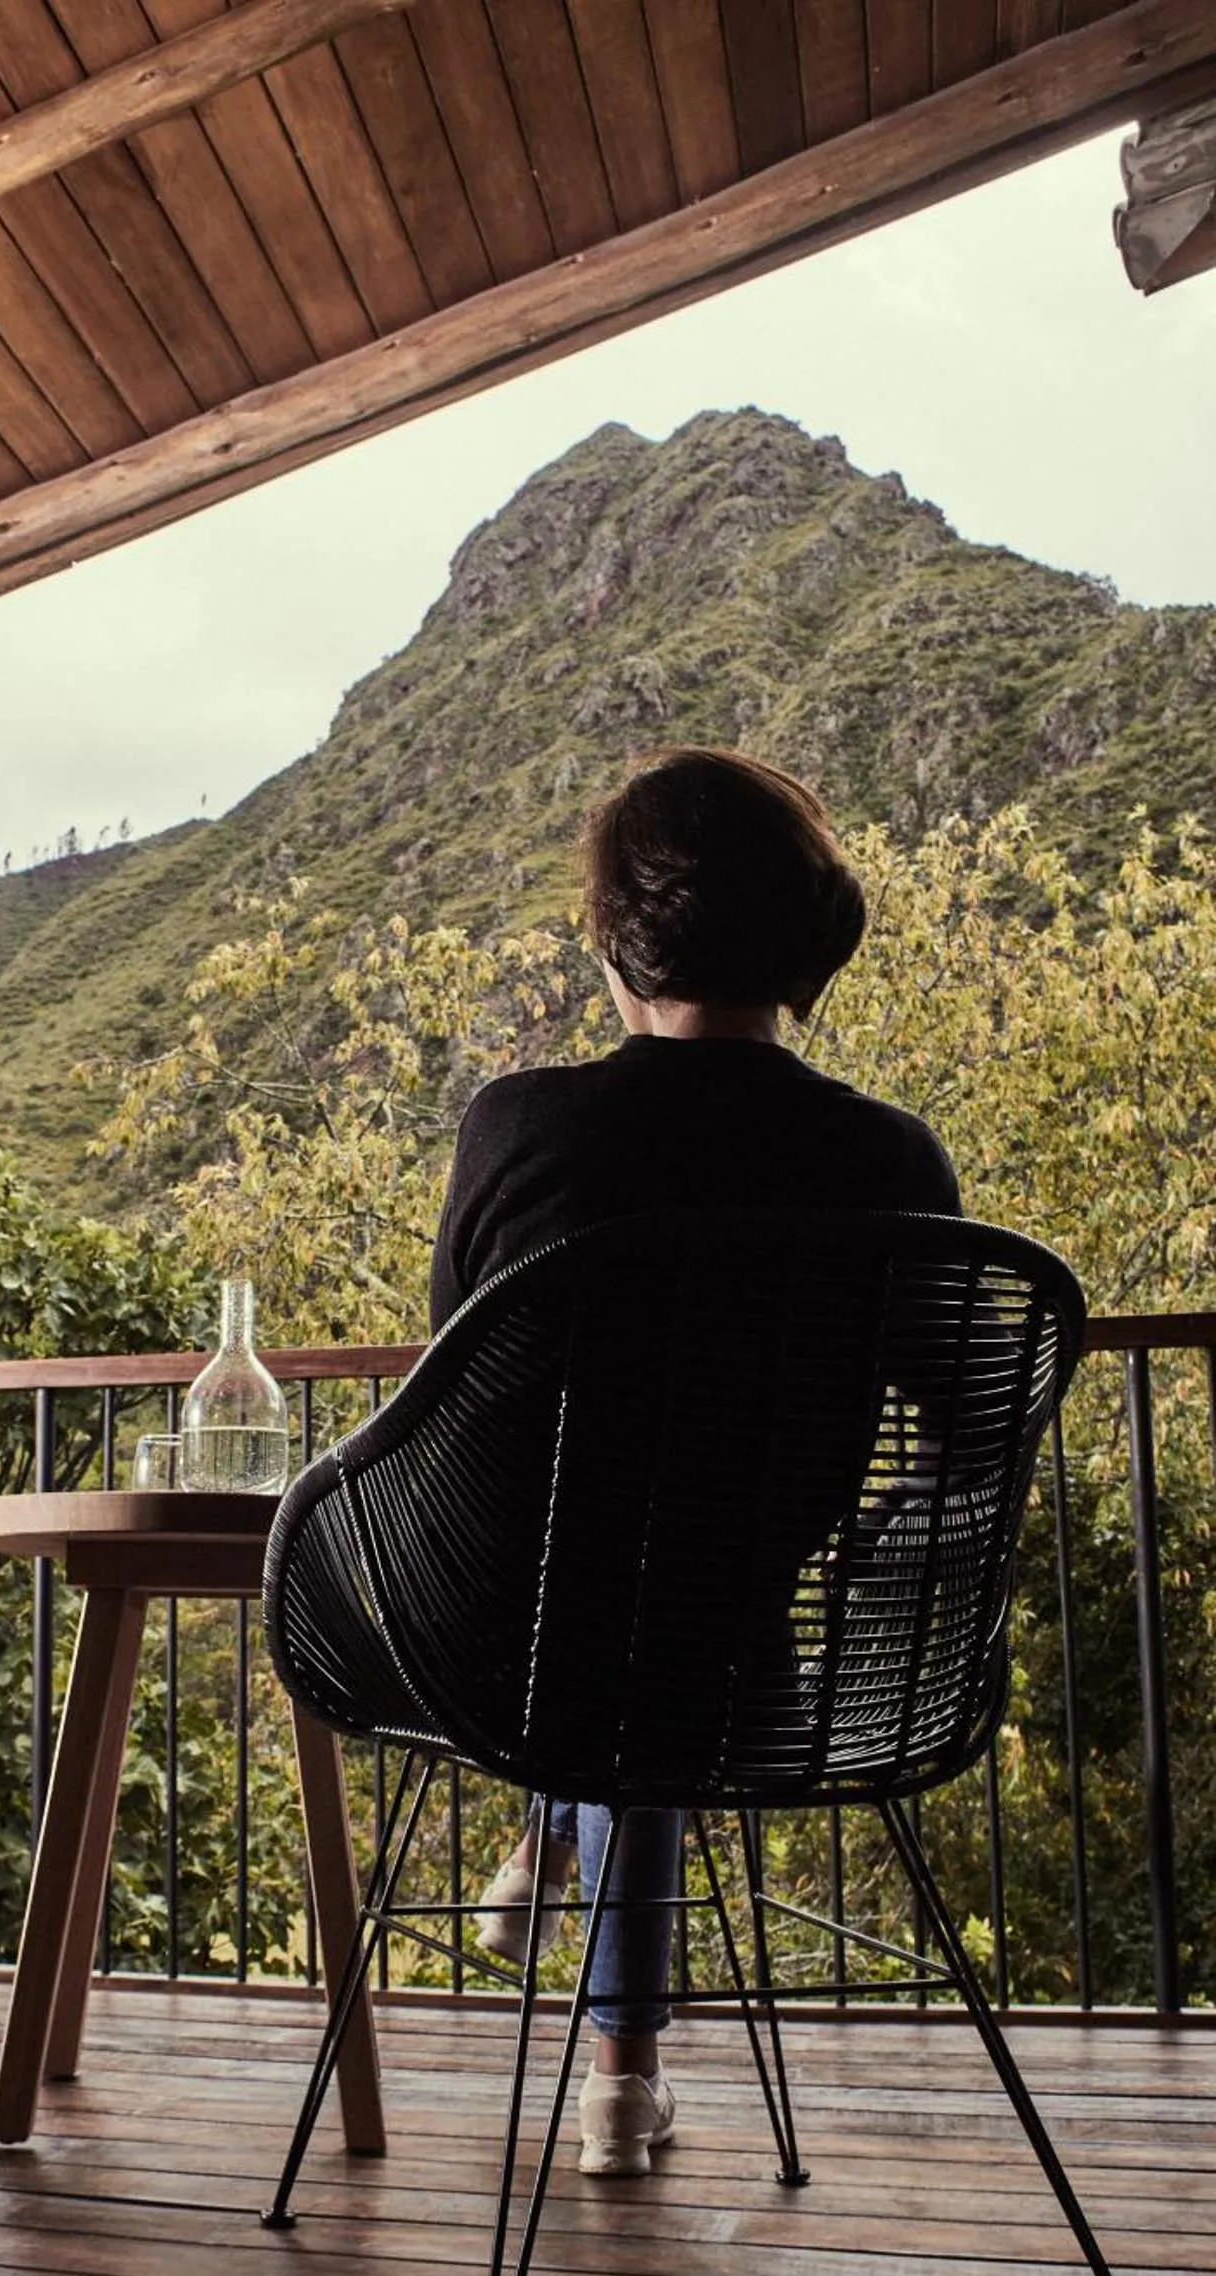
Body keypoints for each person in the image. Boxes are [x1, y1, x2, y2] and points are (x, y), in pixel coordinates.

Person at [428, 746, 960, 2176]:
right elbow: (975, 1430)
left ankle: (559, 1900)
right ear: (806, 938)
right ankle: (622, 2073)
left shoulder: (518, 1127)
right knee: (674, 1606)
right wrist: (873, 1573)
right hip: (774, 1674)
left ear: (615, 940)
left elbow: (455, 1405)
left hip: (502, 1661)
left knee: (599, 1599)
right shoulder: (890, 1164)